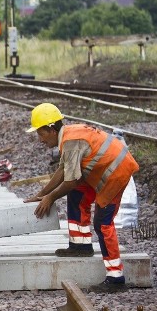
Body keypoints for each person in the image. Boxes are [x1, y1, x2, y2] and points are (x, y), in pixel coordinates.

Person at [23, 103, 139, 293]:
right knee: (76, 194)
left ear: (51, 129)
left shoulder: (70, 140)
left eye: (40, 133)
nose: (40, 139)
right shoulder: (67, 136)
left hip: (116, 172)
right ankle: (81, 245)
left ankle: (116, 278)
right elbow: (63, 171)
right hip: (103, 169)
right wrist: (41, 194)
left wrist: (50, 198)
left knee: (102, 223)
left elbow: (71, 181)